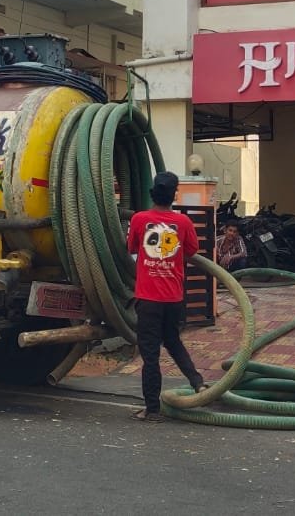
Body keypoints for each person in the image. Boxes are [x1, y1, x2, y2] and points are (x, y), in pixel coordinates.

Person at [127, 171, 207, 422]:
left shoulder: (140, 220)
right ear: (174, 195)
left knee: (150, 354)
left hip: (148, 299)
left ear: (153, 192)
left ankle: (151, 409)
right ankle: (198, 383)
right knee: (172, 341)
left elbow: (131, 247)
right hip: (174, 298)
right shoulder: (183, 223)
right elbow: (192, 250)